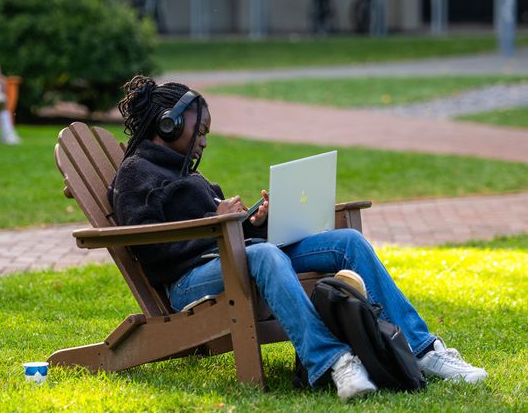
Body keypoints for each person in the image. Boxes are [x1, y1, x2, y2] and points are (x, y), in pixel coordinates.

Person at [109, 75, 488, 402]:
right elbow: (152, 250)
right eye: (200, 132)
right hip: (188, 282)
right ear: (169, 125)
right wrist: (215, 221)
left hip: (235, 258)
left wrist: (253, 220)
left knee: (347, 243)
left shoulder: (188, 175)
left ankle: (423, 350)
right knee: (264, 256)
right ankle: (334, 362)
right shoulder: (135, 175)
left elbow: (229, 234)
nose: (204, 142)